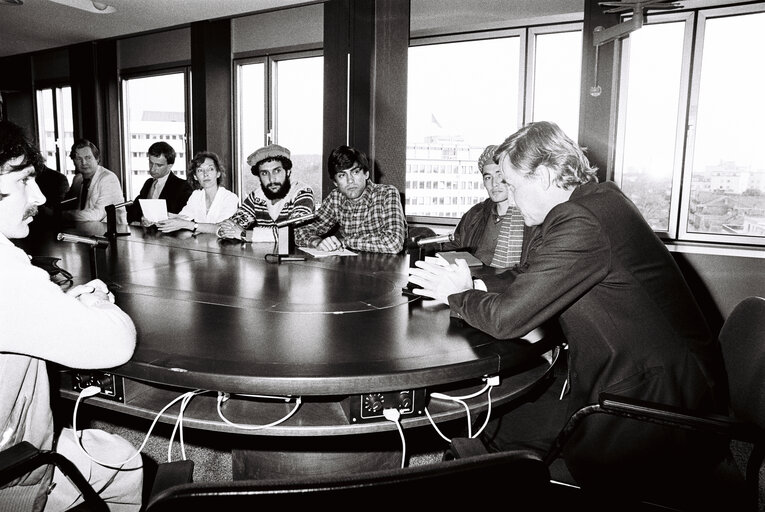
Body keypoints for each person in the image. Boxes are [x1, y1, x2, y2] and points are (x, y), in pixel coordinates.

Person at [408, 121, 728, 504]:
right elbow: (530, 276)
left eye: (510, 183)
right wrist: (473, 284)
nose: (505, 194)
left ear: (542, 176)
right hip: (650, 381)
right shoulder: (596, 201)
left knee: (498, 436)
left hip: (653, 405)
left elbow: (507, 320)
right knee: (497, 423)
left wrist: (458, 296)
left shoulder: (581, 220)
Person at [0, 120, 143, 510]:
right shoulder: (7, 276)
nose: (40, 197)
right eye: (24, 180)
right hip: (14, 473)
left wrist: (56, 302)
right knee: (124, 461)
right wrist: (95, 303)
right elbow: (117, 342)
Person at [297, 145, 407, 254]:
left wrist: (345, 242)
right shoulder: (336, 198)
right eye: (342, 175)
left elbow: (394, 243)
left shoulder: (387, 193)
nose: (350, 181)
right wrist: (317, 242)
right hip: (351, 266)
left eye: (355, 172)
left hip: (387, 267)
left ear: (366, 174)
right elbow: (299, 232)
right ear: (335, 182)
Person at [439, 144, 532, 268]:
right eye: (488, 177)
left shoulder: (530, 217)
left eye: (500, 175)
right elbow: (453, 247)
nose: (494, 183)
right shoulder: (475, 214)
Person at [216, 143, 314, 241]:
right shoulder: (256, 196)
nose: (271, 179)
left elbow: (294, 232)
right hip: (263, 254)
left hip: (295, 255)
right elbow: (231, 225)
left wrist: (245, 234)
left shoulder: (302, 192)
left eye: (277, 171)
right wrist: (224, 230)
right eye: (264, 173)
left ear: (288, 171)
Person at [156, 151, 239, 235]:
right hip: (200, 246)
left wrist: (193, 226)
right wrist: (156, 218)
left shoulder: (230, 198)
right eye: (200, 170)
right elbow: (183, 218)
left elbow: (222, 228)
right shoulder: (196, 195)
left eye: (210, 169)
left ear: (218, 173)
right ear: (195, 176)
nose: (205, 174)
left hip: (223, 246)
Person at [125, 141, 192, 226]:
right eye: (151, 163)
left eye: (159, 165)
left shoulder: (182, 187)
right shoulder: (148, 183)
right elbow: (134, 212)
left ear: (170, 166)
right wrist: (141, 221)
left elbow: (183, 217)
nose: (153, 169)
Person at [61, 139, 126, 224]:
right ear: (73, 161)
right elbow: (69, 206)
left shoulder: (108, 179)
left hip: (110, 234)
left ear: (97, 159)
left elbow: (97, 215)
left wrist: (62, 215)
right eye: (78, 158)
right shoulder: (77, 179)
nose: (83, 162)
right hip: (84, 231)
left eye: (88, 157)